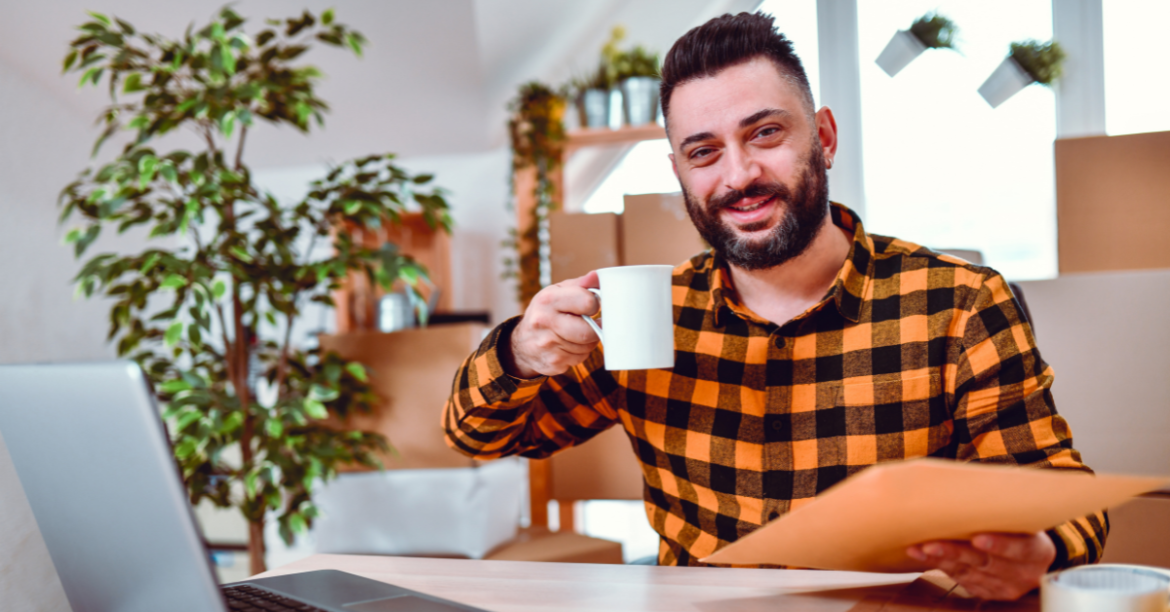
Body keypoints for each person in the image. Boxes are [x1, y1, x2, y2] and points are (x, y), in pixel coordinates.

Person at [443, 11, 1105, 601]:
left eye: (764, 133)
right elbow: (478, 435)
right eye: (704, 152)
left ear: (824, 136)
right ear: (678, 172)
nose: (738, 176)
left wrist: (1043, 550)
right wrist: (520, 353)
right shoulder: (645, 315)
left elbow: (1061, 492)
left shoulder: (958, 304)